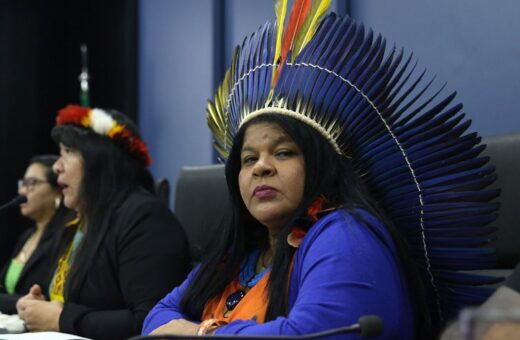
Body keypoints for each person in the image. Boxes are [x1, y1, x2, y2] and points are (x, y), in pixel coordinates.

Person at [142, 1, 498, 338]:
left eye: (283, 153)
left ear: (320, 168)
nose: (262, 167)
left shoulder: (346, 235)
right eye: (249, 159)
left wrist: (202, 332)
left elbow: (308, 335)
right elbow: (157, 318)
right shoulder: (239, 254)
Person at [15, 105, 190, 340]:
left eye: (68, 151)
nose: (57, 166)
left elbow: (151, 321)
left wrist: (61, 319)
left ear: (100, 161)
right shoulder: (77, 222)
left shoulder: (145, 219)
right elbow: (73, 303)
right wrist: (39, 306)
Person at [0, 155, 74, 314]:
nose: (22, 191)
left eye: (32, 183)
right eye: (23, 183)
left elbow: (49, 296)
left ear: (58, 191)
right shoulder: (26, 236)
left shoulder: (67, 235)